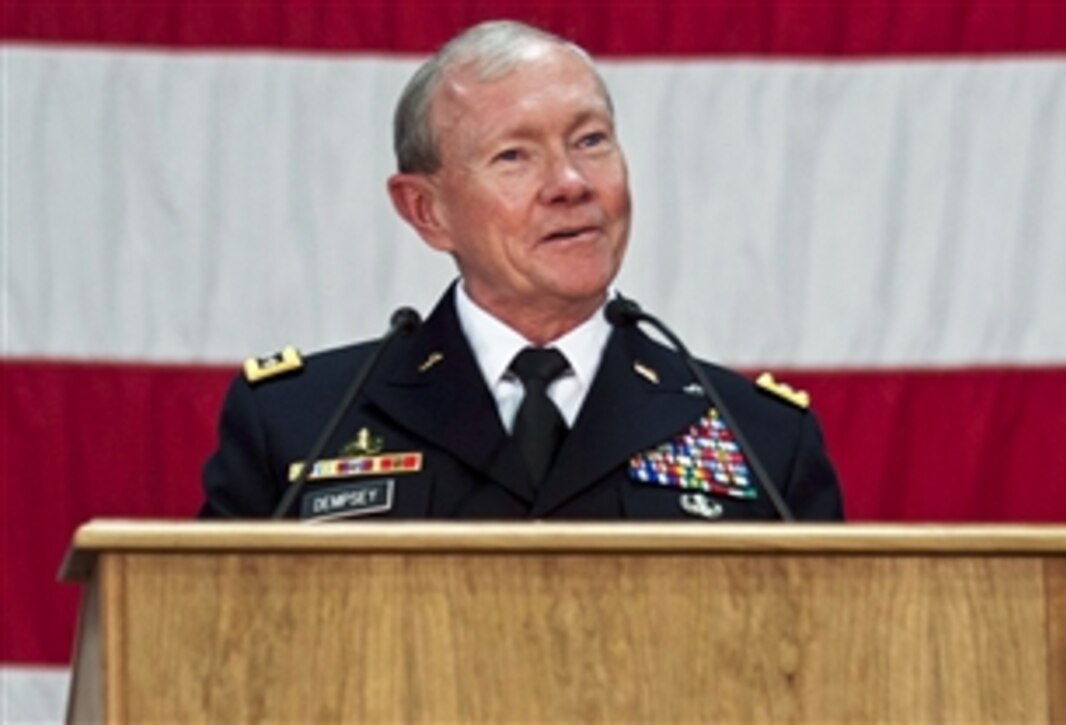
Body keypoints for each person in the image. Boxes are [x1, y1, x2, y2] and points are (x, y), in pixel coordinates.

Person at [200, 20, 843, 521]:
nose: (570, 183)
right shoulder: (301, 425)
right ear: (426, 211)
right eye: (514, 156)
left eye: (590, 140)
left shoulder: (761, 438)